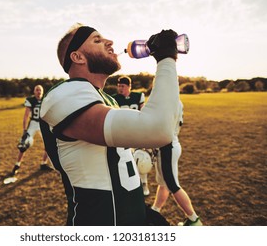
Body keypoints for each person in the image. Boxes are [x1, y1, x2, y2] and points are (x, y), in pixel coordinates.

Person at [39, 23, 181, 226]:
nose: (110, 42)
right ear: (77, 57)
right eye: (97, 40)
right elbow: (159, 129)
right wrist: (166, 59)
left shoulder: (108, 100)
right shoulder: (65, 94)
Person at [151, 100, 203, 226]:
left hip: (167, 148)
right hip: (172, 145)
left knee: (173, 185)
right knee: (163, 183)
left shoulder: (166, 101)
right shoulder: (176, 100)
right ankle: (155, 210)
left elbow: (158, 126)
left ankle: (193, 219)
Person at [112, 76, 151, 196]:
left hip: (137, 132)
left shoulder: (138, 96)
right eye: (118, 86)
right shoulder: (114, 99)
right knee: (124, 160)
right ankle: (128, 184)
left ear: (129, 86)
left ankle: (144, 183)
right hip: (123, 134)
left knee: (141, 158)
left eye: (122, 86)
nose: (120, 88)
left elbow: (143, 113)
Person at [7, 85, 52, 177]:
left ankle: (43, 163)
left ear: (42, 92)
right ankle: (17, 165)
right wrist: (24, 130)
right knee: (24, 144)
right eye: (37, 90)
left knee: (49, 143)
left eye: (40, 90)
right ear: (34, 92)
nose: (39, 92)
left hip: (42, 124)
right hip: (33, 123)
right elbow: (26, 115)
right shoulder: (31, 100)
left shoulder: (45, 100)